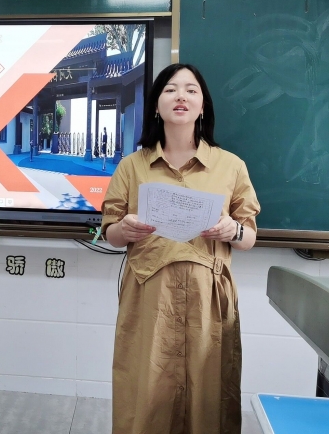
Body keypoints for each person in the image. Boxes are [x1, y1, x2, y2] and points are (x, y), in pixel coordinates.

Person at [101, 63, 260, 434]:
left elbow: (249, 236)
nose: (181, 97)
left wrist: (232, 229)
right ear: (157, 105)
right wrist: (124, 229)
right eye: (170, 89)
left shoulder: (230, 166)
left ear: (203, 106)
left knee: (209, 399)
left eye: (191, 90)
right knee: (146, 397)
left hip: (209, 299)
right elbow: (109, 233)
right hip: (149, 297)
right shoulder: (132, 166)